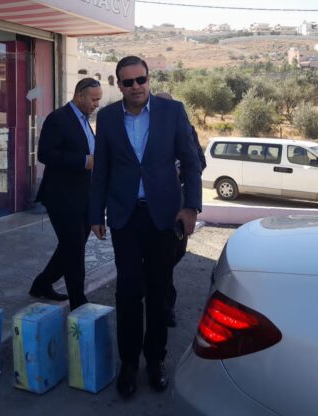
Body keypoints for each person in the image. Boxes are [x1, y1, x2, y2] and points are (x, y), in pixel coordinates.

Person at [89, 57, 202, 398]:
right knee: (127, 292)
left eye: (141, 79)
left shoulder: (172, 112)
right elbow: (102, 169)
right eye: (128, 82)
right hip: (125, 217)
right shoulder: (108, 118)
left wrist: (191, 207)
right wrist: (95, 214)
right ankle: (128, 363)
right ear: (119, 85)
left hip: (162, 216)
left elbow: (191, 161)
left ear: (149, 79)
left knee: (158, 291)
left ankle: (155, 360)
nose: (136, 86)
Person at [29, 77, 103, 309]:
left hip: (83, 196)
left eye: (99, 99)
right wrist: (83, 161)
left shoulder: (85, 121)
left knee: (71, 247)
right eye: (94, 99)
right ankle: (78, 302)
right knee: (74, 249)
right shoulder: (58, 119)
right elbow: (45, 154)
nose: (97, 104)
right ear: (80, 96)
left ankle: (42, 284)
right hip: (61, 197)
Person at [154, 92, 207, 328]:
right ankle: (165, 308)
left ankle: (158, 294)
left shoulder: (187, 129)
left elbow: (199, 162)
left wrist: (178, 172)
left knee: (177, 251)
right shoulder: (146, 130)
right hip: (151, 205)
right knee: (161, 259)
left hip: (178, 204)